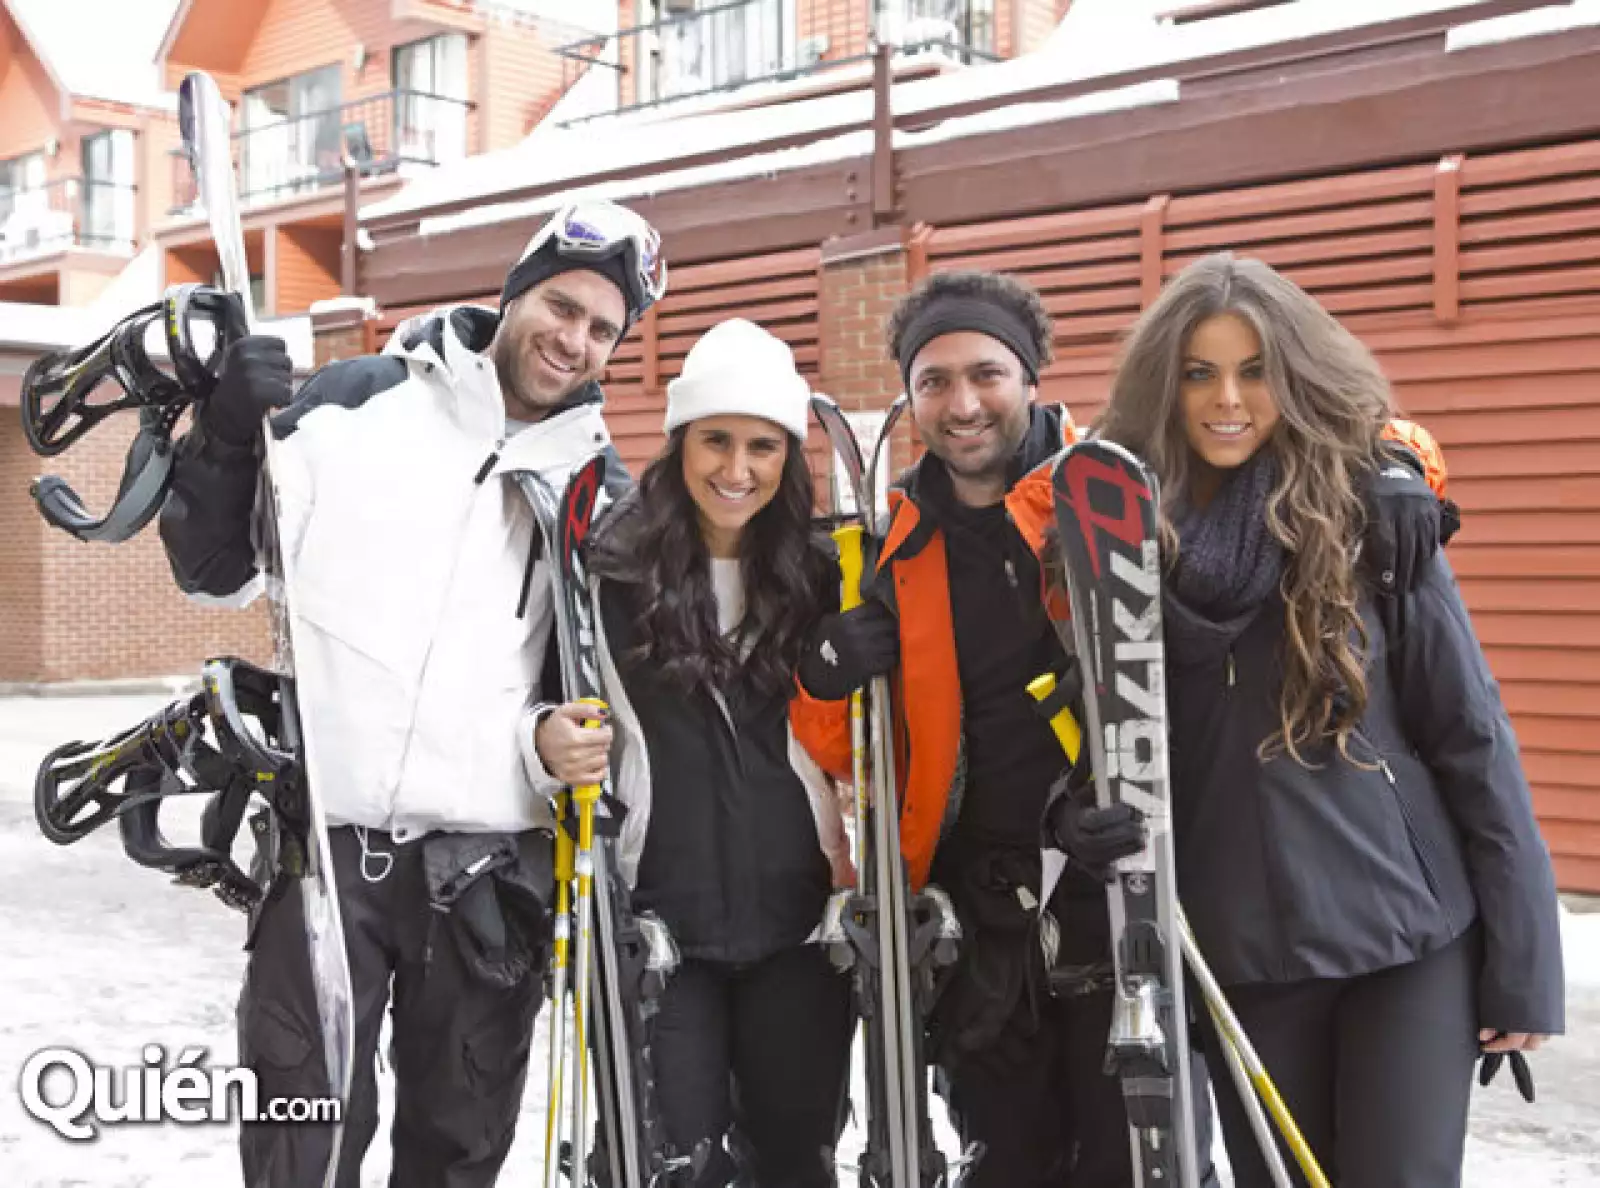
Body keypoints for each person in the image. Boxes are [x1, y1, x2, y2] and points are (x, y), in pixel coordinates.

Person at [791, 268, 1450, 1187]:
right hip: (980, 921)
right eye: (933, 382)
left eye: (986, 373)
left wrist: (1398, 461)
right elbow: (847, 753)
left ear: (1032, 379)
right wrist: (825, 675)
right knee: (1010, 1163)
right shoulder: (889, 544)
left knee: (1146, 1160)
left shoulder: (1109, 491)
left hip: (1122, 894)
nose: (962, 402)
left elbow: (1285, 428)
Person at [157, 199, 666, 1187]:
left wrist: (544, 744)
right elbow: (214, 562)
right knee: (298, 1145)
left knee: (457, 1152)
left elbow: (594, 692)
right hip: (326, 854)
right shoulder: (360, 402)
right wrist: (220, 435)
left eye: (603, 329)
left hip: (485, 878)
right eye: (560, 306)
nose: (573, 340)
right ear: (516, 291)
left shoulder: (594, 492)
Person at [1059, 251, 1565, 1186]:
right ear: (1163, 385)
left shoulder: (1371, 516)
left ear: (1295, 377)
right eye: (1200, 373)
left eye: (1256, 371)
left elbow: (1472, 736)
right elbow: (1095, 738)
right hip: (1241, 949)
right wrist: (1075, 820)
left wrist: (1525, 958)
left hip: (1405, 940)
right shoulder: (1119, 542)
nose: (1228, 400)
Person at [534, 318, 855, 1187]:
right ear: (680, 443)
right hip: (656, 924)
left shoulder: (826, 578)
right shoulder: (607, 577)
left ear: (789, 458)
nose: (737, 469)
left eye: (762, 446)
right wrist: (542, 740)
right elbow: (539, 704)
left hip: (797, 922)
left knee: (797, 1160)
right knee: (672, 1165)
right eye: (715, 440)